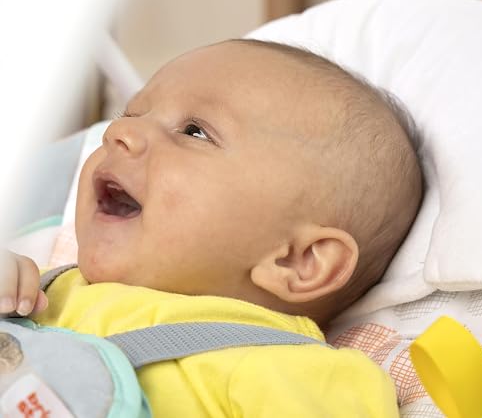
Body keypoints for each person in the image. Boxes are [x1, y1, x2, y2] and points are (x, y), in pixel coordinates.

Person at [0, 39, 423, 416]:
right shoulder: (35, 289)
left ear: (298, 260)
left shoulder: (292, 371)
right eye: (131, 113)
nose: (119, 131)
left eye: (195, 132)